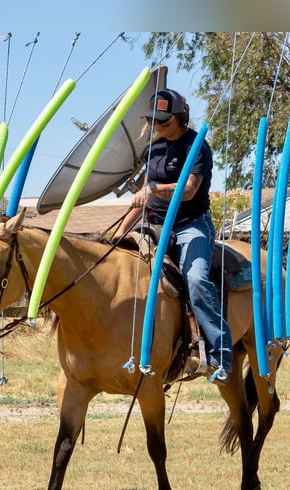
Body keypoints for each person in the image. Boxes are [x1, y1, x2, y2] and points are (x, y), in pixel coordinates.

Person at [114, 89, 232, 382]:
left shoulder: (197, 147)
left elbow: (189, 189)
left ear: (181, 118)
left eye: (164, 121)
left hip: (191, 224)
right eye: (154, 120)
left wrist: (154, 190)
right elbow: (143, 197)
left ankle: (220, 354)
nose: (158, 125)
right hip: (152, 222)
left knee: (195, 279)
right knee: (122, 267)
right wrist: (117, 233)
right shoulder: (152, 150)